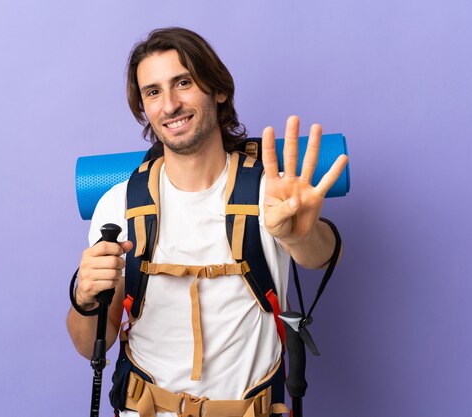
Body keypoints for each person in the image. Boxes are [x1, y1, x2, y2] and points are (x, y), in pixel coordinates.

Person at [66, 27, 348, 417]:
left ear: (218, 90)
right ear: (144, 109)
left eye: (183, 83)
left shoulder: (270, 193)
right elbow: (91, 345)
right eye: (153, 92)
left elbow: (322, 254)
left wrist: (300, 236)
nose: (169, 105)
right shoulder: (118, 206)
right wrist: (83, 300)